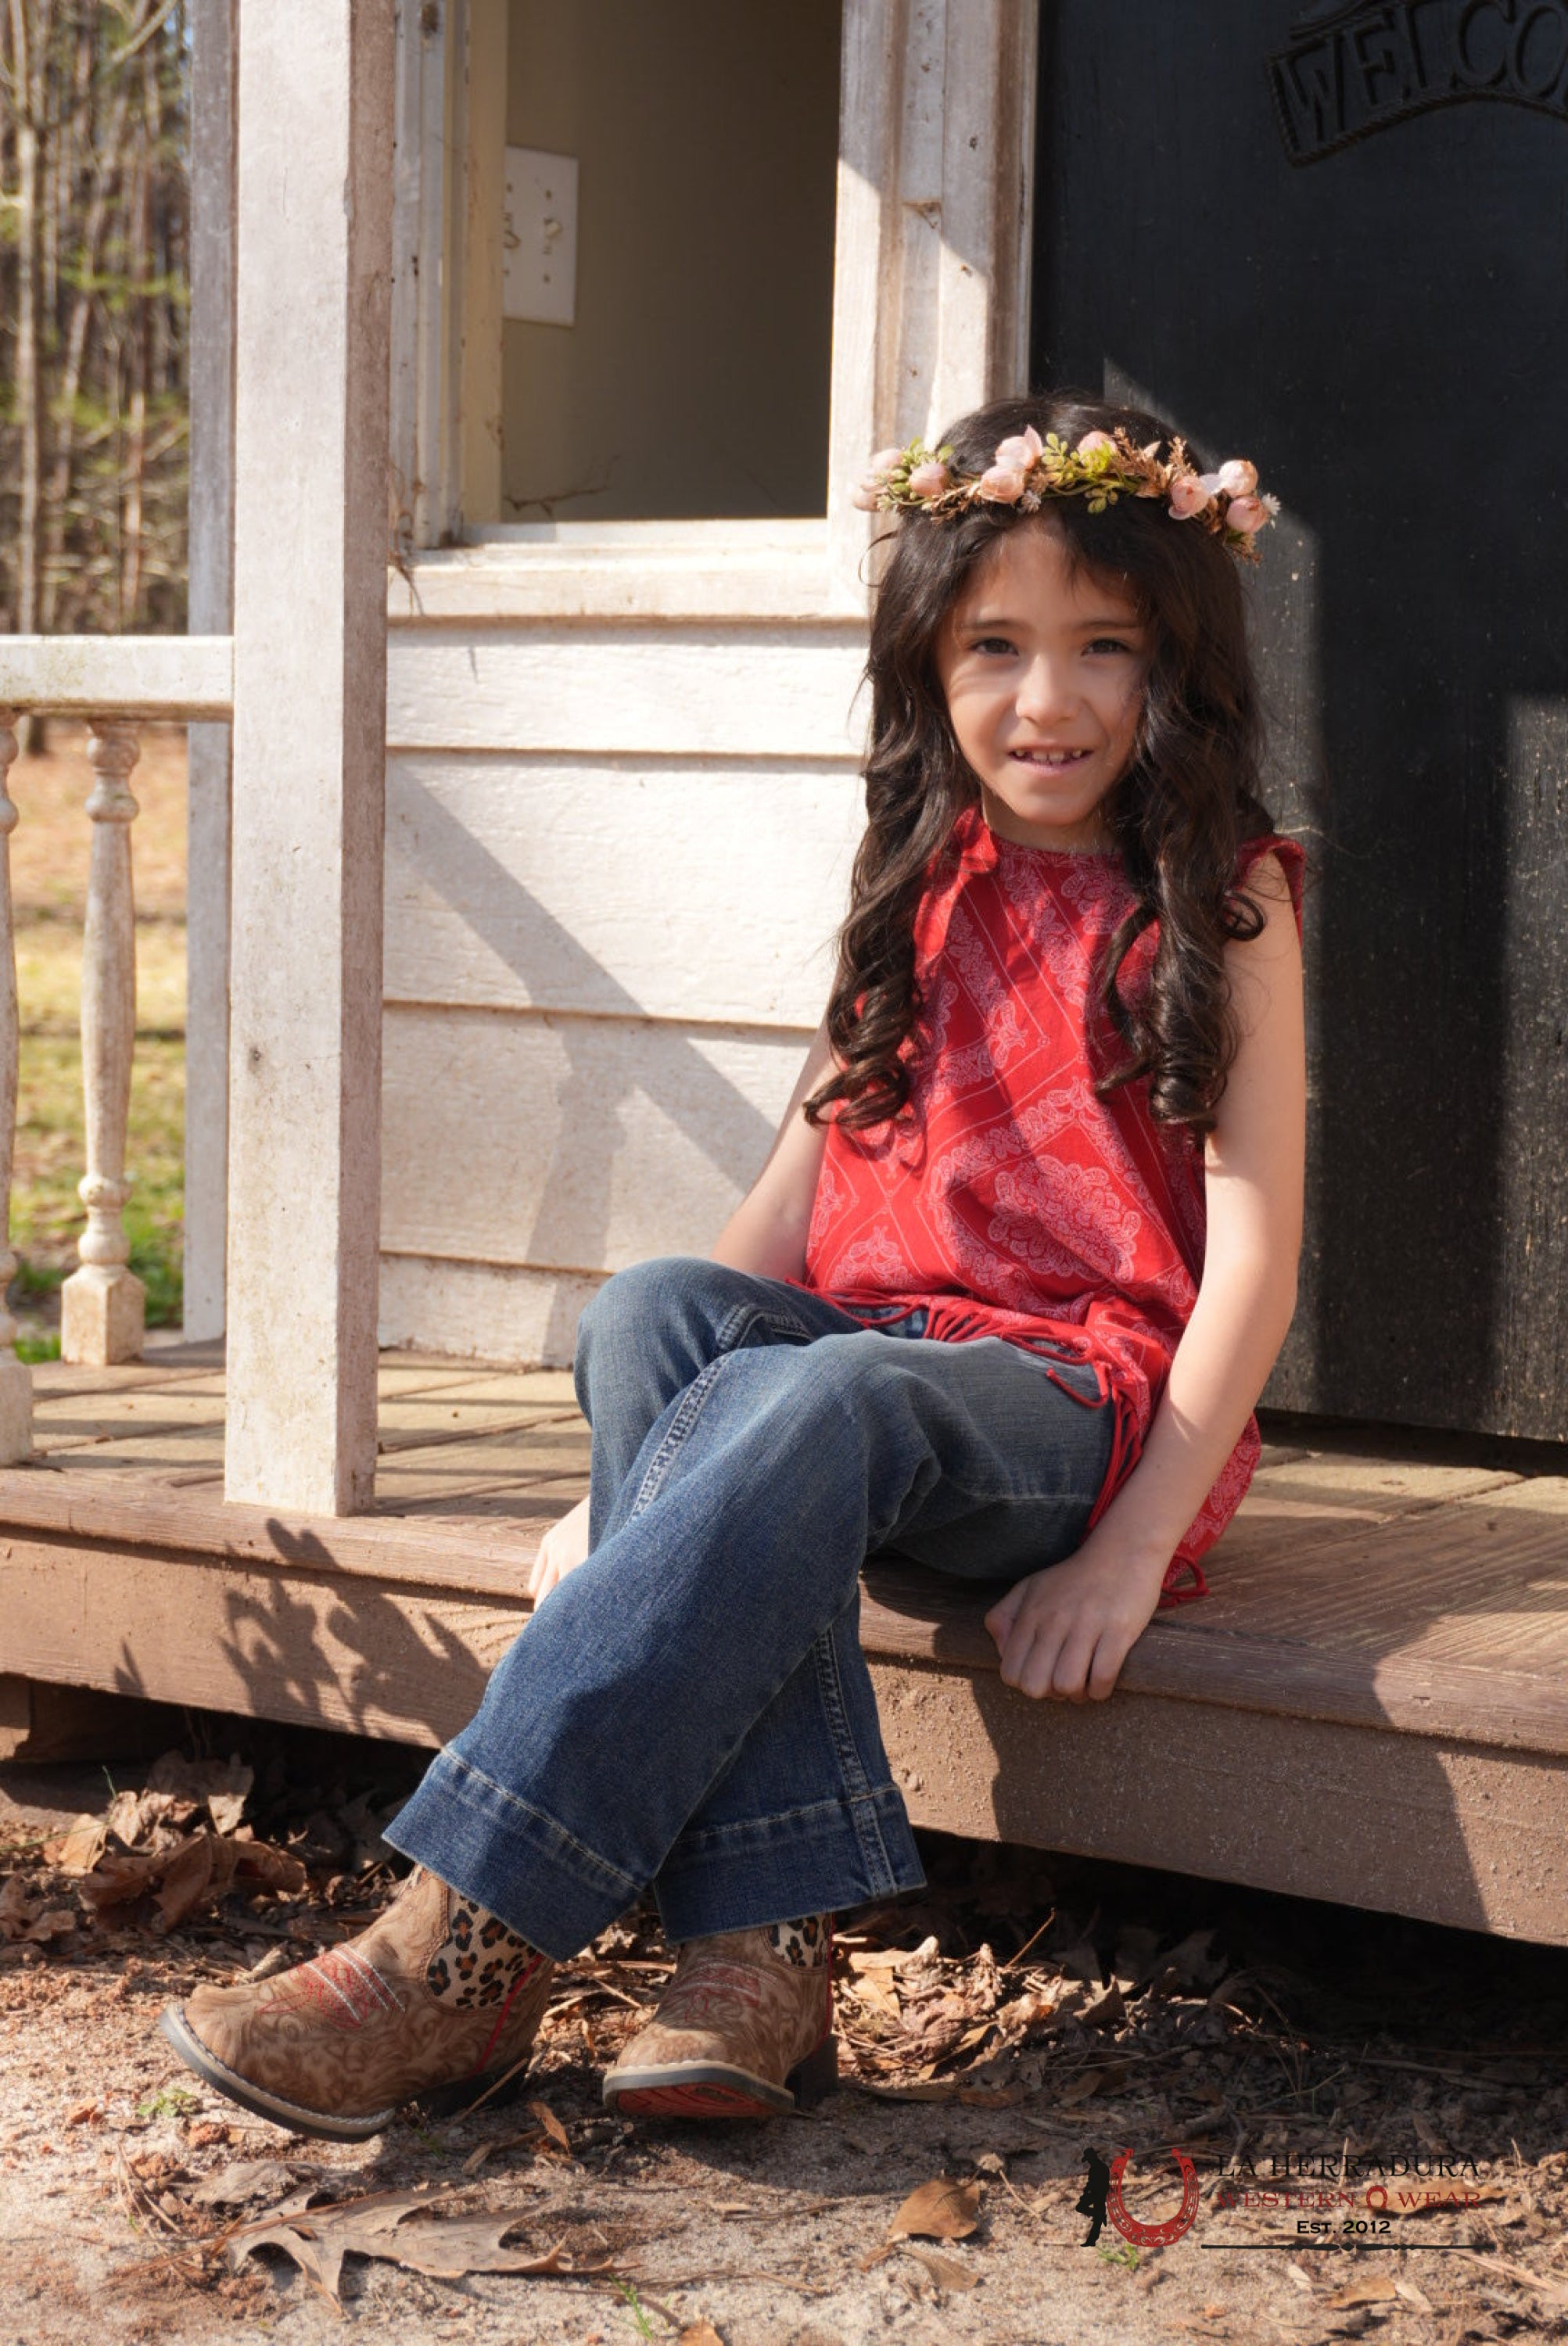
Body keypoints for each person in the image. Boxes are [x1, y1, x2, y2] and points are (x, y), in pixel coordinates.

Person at [158, 391, 1306, 2142]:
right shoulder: (921, 877)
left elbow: (1252, 1262)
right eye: (992, 646)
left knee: (814, 1379)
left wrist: (1137, 1549)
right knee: (654, 1308)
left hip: (1074, 1406)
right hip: (861, 1382)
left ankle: (462, 1943)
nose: (1047, 699)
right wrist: (636, 1492)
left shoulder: (1225, 903)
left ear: (1180, 664)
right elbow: (791, 1192)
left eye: (1103, 647)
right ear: (928, 664)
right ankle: (751, 1961)